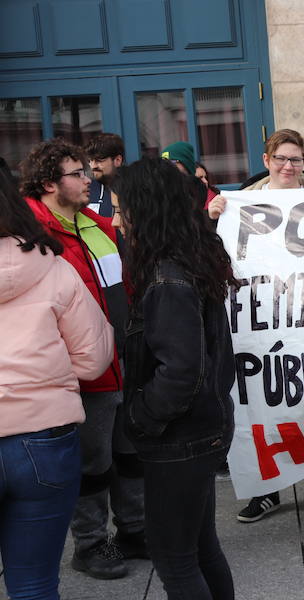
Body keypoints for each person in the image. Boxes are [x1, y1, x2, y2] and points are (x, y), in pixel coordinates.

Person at [115, 157, 238, 599]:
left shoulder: (169, 278)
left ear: (146, 211)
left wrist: (142, 417)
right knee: (200, 548)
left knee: (175, 558)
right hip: (203, 426)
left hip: (180, 436)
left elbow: (181, 370)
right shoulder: (188, 259)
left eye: (121, 210)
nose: (117, 221)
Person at [21, 139, 143, 579]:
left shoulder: (96, 224)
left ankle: (134, 529)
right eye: (77, 174)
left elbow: (120, 285)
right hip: (83, 369)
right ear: (51, 184)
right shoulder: (31, 235)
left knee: (129, 452)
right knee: (92, 462)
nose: (88, 179)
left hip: (122, 358)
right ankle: (91, 544)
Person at [0, 161, 114, 600]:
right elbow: (93, 357)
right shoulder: (52, 264)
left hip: (42, 434)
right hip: (43, 439)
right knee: (34, 584)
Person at [235, 129, 304, 524]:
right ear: (267, 160)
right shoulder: (243, 200)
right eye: (281, 158)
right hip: (261, 318)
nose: (288, 166)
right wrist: (213, 216)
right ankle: (266, 491)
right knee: (264, 401)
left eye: (295, 159)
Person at [85, 133, 125, 218]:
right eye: (90, 160)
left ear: (118, 160)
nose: (93, 166)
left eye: (99, 160)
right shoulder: (85, 189)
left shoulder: (134, 190)